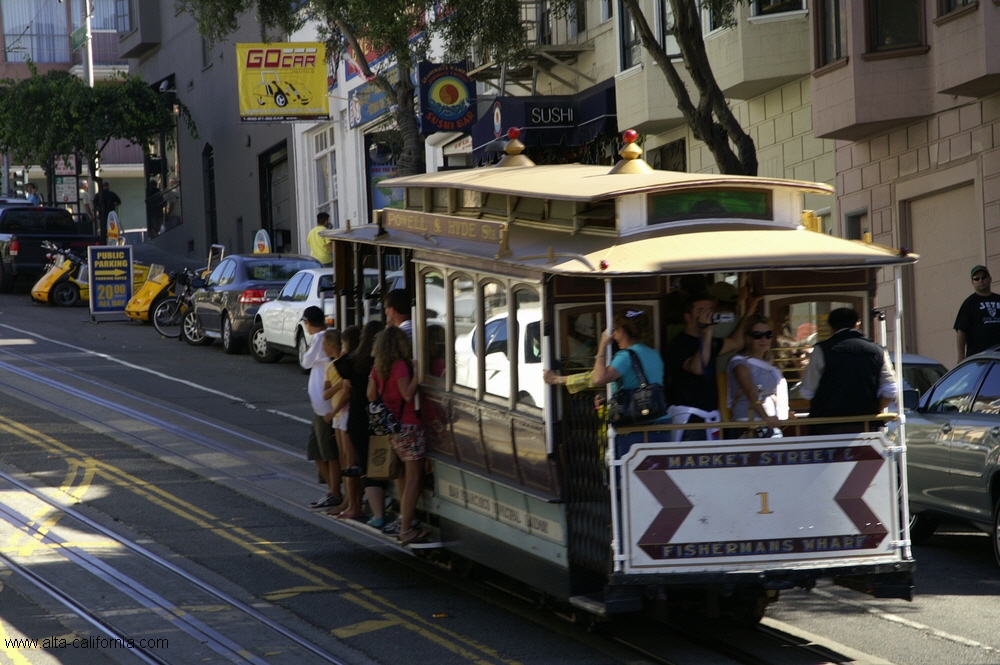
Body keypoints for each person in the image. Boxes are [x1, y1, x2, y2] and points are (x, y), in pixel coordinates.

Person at [545, 310, 667, 453]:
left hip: (638, 424)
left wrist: (602, 346)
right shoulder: (653, 353)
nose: (612, 335)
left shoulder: (625, 356)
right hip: (661, 421)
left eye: (613, 331)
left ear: (620, 331)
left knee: (625, 470)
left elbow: (597, 378)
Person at [368, 326, 428, 545]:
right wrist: (418, 373)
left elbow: (370, 395)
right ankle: (406, 529)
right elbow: (408, 393)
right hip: (409, 425)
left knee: (403, 477)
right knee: (413, 479)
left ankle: (406, 521)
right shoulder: (400, 365)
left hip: (392, 427)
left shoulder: (377, 368)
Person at [664, 291, 750, 441]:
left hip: (710, 416)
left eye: (710, 310)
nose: (707, 314)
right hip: (689, 416)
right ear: (688, 317)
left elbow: (736, 342)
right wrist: (707, 334)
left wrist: (747, 313)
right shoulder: (678, 344)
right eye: (701, 311)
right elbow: (697, 368)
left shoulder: (709, 340)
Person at [800, 308, 897, 435]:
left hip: (828, 428)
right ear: (857, 324)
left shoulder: (821, 350)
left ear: (831, 327)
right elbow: (890, 389)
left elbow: (807, 392)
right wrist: (872, 409)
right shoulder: (877, 350)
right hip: (866, 428)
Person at [333, 319, 386, 523]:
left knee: (366, 464)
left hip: (357, 417)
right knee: (383, 460)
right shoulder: (379, 361)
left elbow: (341, 367)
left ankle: (378, 514)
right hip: (380, 416)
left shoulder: (350, 363)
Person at [301, 307, 341, 510]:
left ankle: (335, 492)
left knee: (328, 452)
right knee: (316, 450)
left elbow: (306, 362)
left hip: (326, 408)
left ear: (308, 322)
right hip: (320, 408)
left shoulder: (318, 338)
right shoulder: (320, 338)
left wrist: (309, 349)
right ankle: (333, 490)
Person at [725, 314, 789, 438]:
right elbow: (750, 392)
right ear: (748, 338)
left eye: (768, 335)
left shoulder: (769, 365)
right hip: (748, 423)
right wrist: (766, 417)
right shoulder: (739, 362)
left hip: (770, 422)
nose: (763, 339)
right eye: (757, 336)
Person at [954, 265, 1000, 362]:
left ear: (990, 279)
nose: (981, 280)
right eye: (977, 278)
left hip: (998, 356)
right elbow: (961, 330)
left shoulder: (998, 299)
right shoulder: (969, 303)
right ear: (972, 282)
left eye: (984, 277)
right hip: (978, 358)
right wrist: (961, 356)